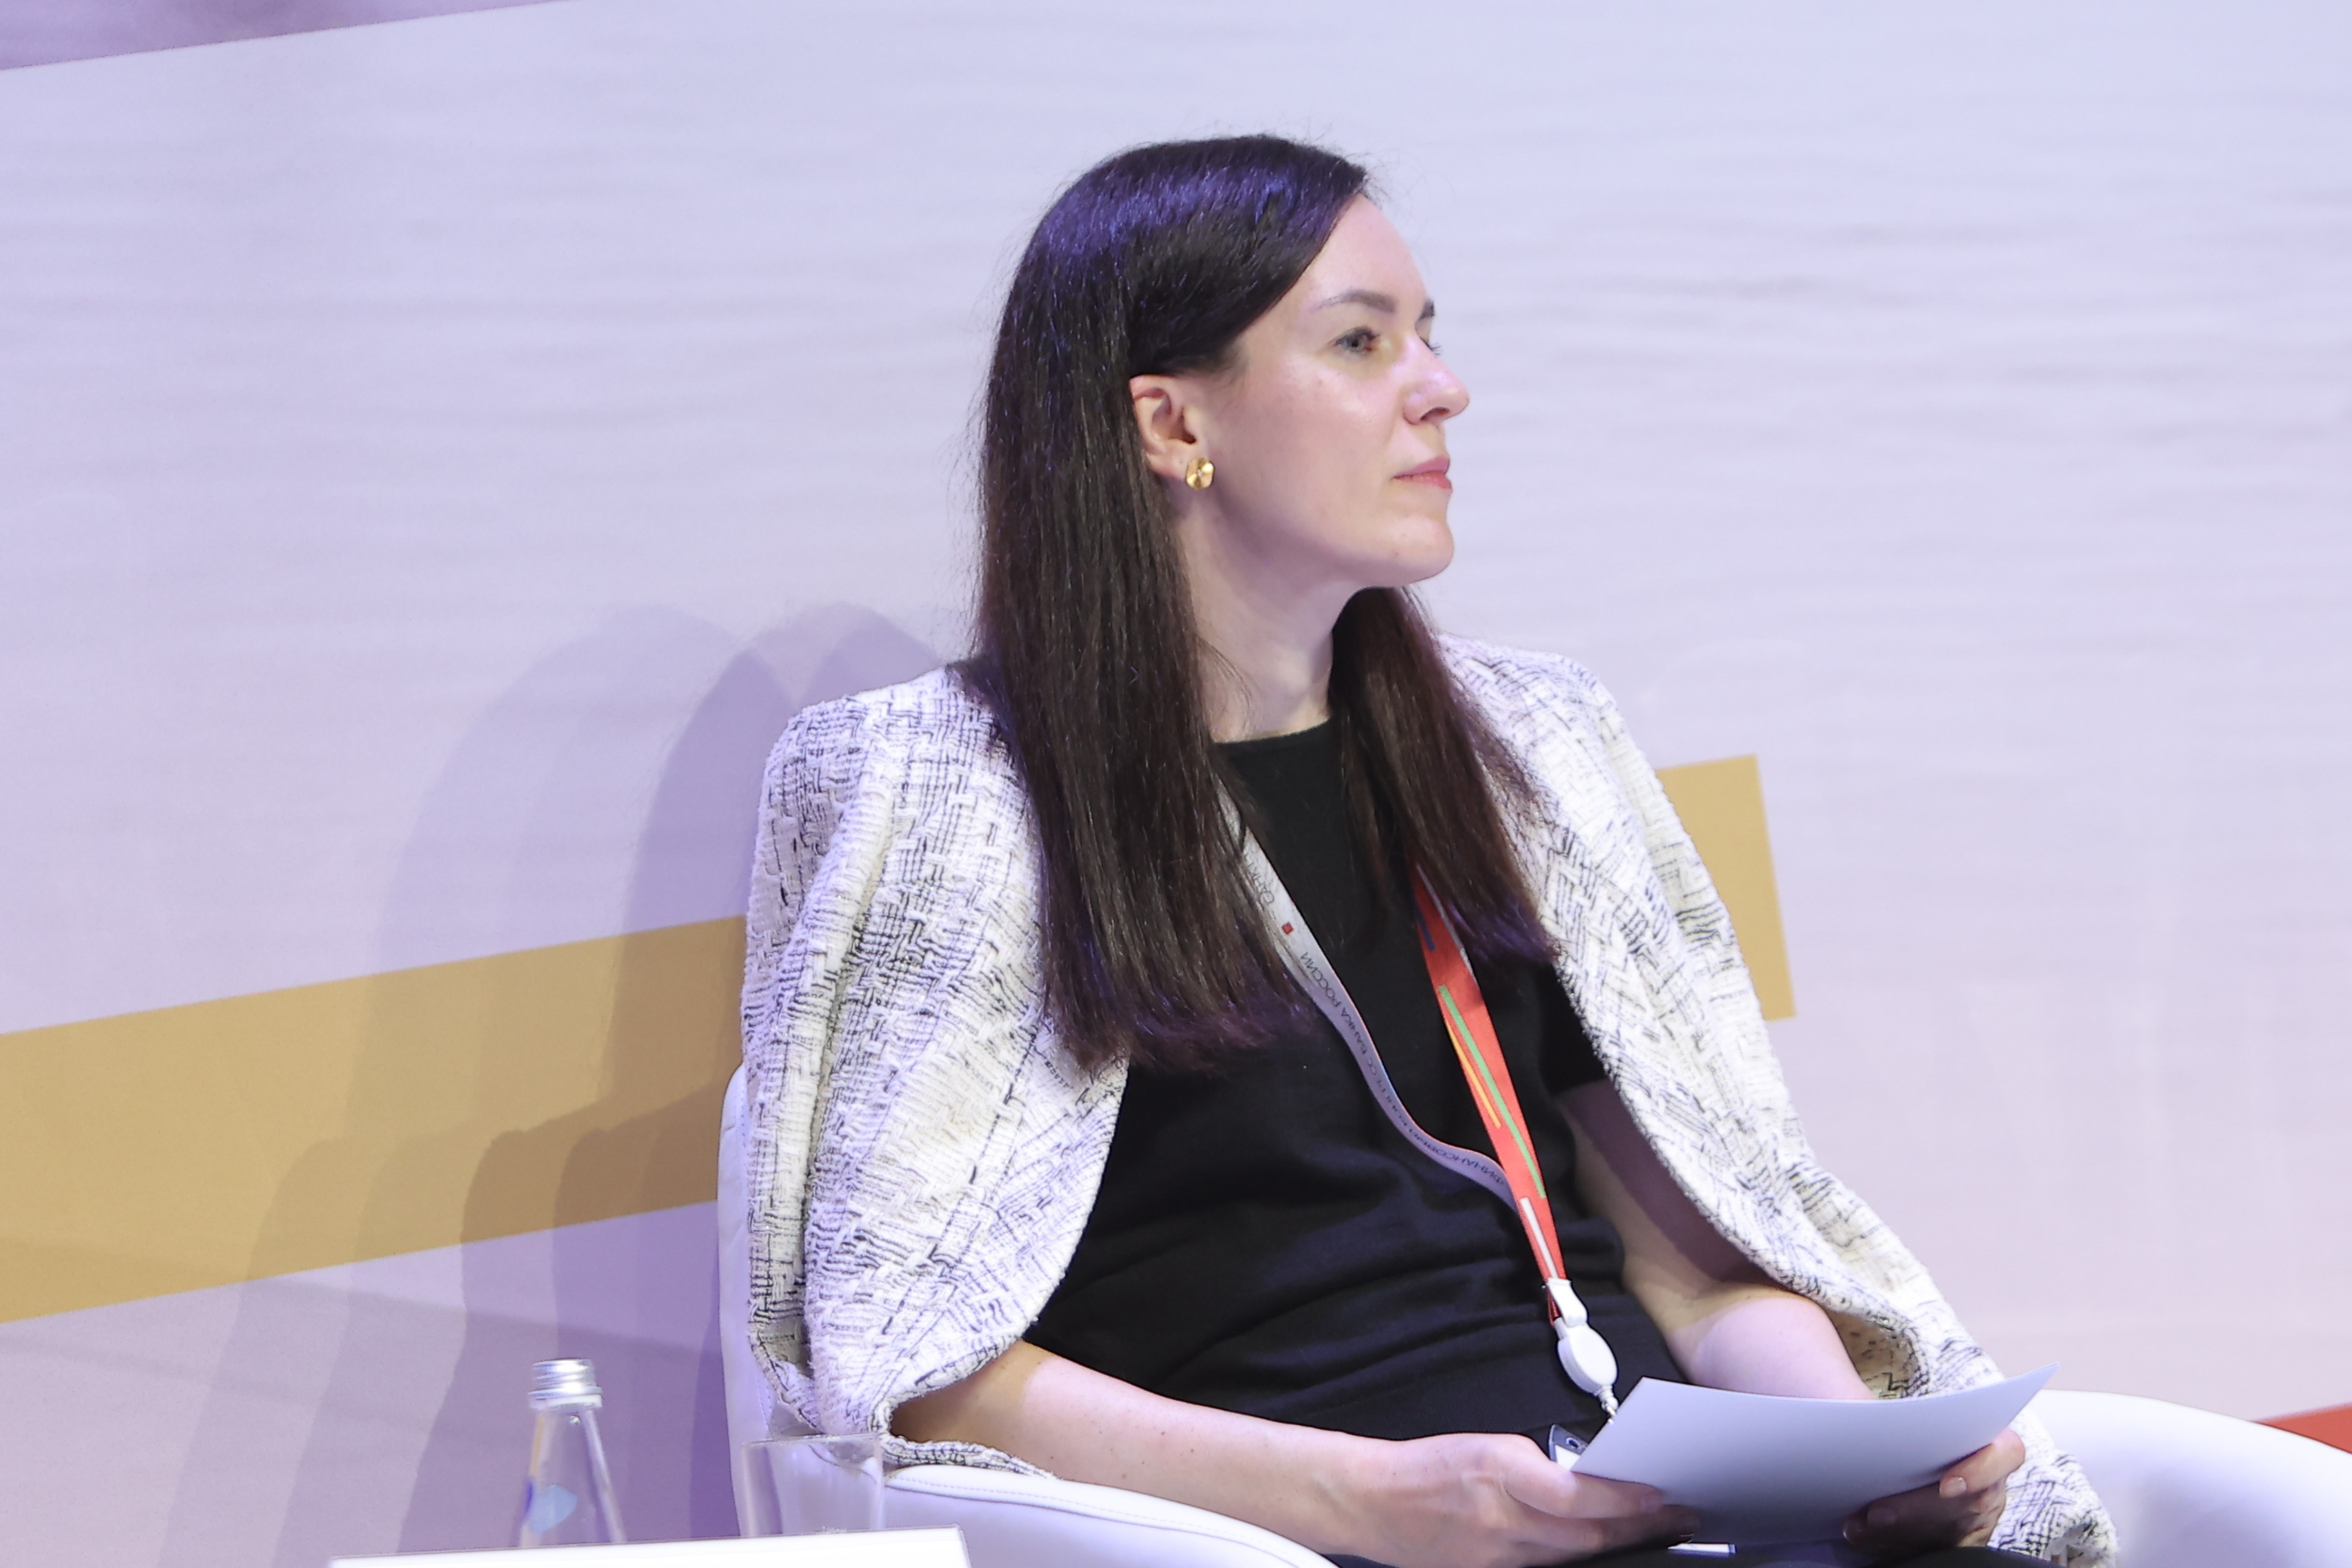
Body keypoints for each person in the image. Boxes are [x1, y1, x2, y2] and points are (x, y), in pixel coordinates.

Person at [738, 136, 2113, 1567]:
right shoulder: (939, 790)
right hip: (1287, 1532)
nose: (1442, 387)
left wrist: (1857, 1458)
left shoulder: (1532, 744)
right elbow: (914, 1365)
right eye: (1362, 341)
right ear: (1169, 422)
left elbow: (1702, 1273)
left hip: (1652, 1502)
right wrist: (1368, 1499)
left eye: (1428, 335)